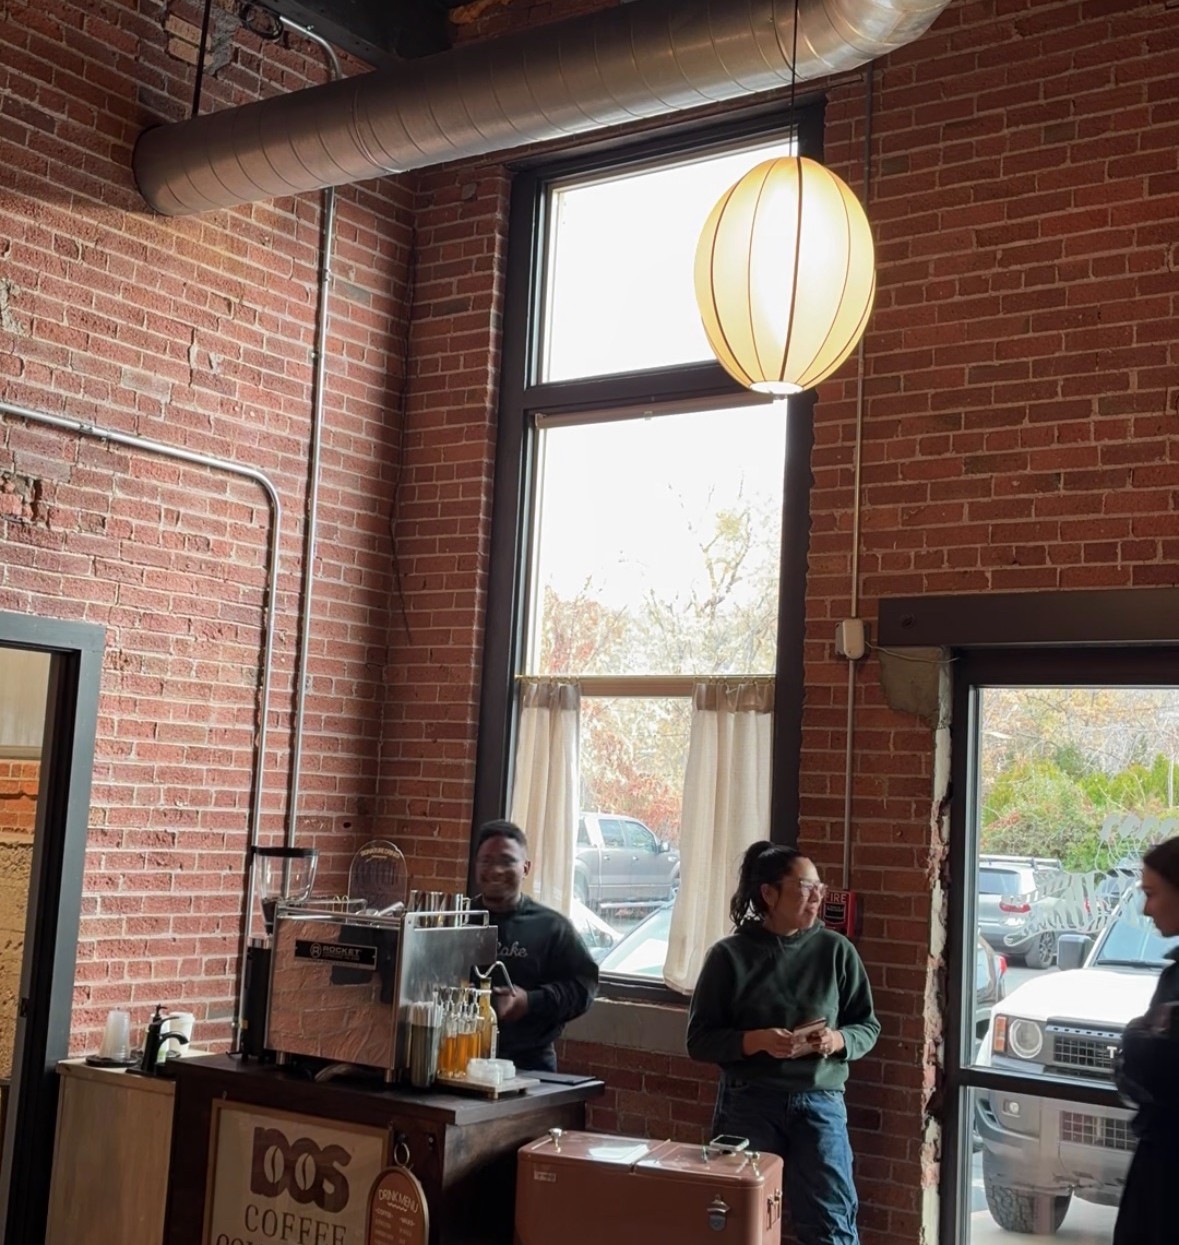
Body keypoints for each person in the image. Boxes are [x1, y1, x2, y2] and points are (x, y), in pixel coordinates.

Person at [686, 842, 879, 1245]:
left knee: (830, 1222)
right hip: (749, 1102)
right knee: (737, 1220)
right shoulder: (728, 956)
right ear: (769, 894)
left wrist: (837, 1039)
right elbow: (700, 1040)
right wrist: (755, 1041)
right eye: (805, 887)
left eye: (819, 887)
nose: (817, 897)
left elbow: (867, 1025)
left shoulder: (836, 951)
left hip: (820, 1103)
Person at [471, 819, 599, 1071]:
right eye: (486, 861)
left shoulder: (552, 927)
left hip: (530, 1066)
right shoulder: (457, 920)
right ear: (476, 865)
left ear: (526, 868)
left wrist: (530, 1001)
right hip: (460, 1060)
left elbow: (584, 987)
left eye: (507, 861)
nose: (496, 870)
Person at [1111, 836, 1179, 1245]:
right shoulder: (1173, 974)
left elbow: (1153, 1066)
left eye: (1152, 894)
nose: (1145, 909)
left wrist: (1138, 1039)